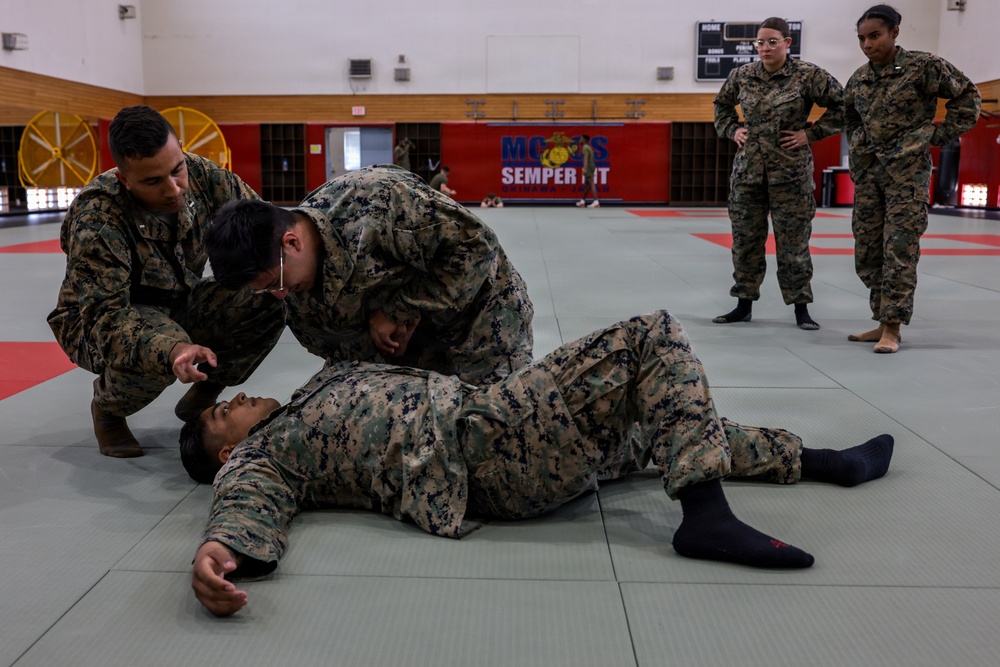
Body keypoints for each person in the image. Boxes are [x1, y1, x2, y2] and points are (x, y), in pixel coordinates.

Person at [182, 310, 894, 617]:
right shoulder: (265, 455)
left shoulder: (313, 390)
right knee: (650, 336)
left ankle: (818, 460)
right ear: (227, 450)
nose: (234, 399)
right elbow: (246, 499)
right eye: (221, 414)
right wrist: (221, 548)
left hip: (495, 425)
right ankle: (705, 517)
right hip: (482, 448)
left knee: (663, 418)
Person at [47, 105, 285, 458]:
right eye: (152, 181)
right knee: (162, 346)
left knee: (266, 294)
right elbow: (106, 320)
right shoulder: (98, 217)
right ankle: (109, 409)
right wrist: (172, 350)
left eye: (177, 170)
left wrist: (280, 271)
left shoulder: (202, 175)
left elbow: (264, 223)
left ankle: (206, 390)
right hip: (96, 323)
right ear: (125, 179)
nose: (173, 189)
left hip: (177, 300)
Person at [205, 164, 533, 386]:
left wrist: (397, 312)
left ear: (292, 243)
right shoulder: (296, 296)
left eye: (274, 282)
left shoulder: (379, 203)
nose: (279, 295)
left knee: (500, 429)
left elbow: (476, 246)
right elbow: (342, 355)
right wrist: (389, 347)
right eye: (264, 290)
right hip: (418, 350)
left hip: (482, 319)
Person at [844, 5, 981, 353]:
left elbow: (968, 97)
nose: (867, 44)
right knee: (867, 251)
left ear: (895, 32)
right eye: (861, 38)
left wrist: (935, 136)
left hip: (907, 175)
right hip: (870, 176)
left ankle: (893, 327)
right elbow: (850, 118)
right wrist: (859, 147)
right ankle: (880, 319)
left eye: (875, 36)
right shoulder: (859, 78)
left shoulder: (924, 66)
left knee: (899, 249)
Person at [712, 17, 844, 331]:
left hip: (791, 175)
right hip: (748, 176)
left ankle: (801, 308)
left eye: (773, 41)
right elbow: (721, 105)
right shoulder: (742, 75)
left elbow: (844, 107)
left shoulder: (808, 75)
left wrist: (810, 134)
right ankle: (743, 304)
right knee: (745, 243)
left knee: (793, 245)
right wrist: (732, 130)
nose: (766, 48)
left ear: (787, 42)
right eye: (760, 42)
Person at [575, 134, 599, 208]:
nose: (580, 140)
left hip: (588, 167)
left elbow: (586, 157)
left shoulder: (585, 147)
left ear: (585, 140)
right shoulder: (588, 147)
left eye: (581, 138)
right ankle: (582, 201)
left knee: (591, 183)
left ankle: (596, 202)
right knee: (586, 185)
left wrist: (584, 168)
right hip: (591, 166)